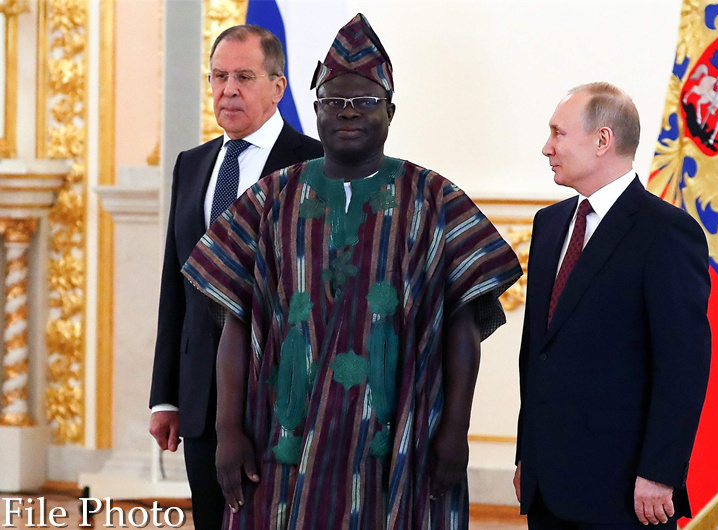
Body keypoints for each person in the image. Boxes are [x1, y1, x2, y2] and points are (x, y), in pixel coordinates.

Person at [181, 13, 522, 529]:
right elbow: (234, 321)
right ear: (315, 110)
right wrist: (228, 429)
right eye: (333, 101)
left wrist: (455, 430)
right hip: (283, 441)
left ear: (390, 111)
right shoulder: (271, 199)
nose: (347, 112)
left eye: (364, 102)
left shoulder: (434, 200)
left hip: (397, 441)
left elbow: (462, 327)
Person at [513, 82, 711, 529]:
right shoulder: (549, 224)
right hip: (547, 484)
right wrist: (528, 454)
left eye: (558, 133)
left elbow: (683, 365)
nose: (547, 147)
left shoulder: (666, 232)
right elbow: (537, 353)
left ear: (603, 140)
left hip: (625, 491)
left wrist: (660, 473)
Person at [149, 25, 322, 530]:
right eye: (219, 76)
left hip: (287, 395)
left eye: (244, 77)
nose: (228, 90)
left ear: (278, 86)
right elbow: (175, 286)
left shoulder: (315, 164)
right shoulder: (192, 165)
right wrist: (166, 396)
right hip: (202, 398)